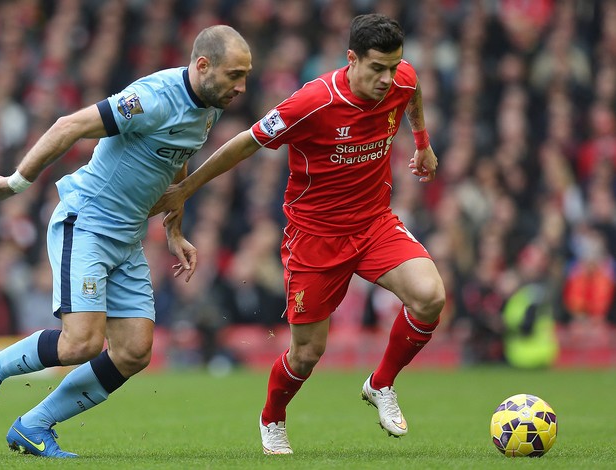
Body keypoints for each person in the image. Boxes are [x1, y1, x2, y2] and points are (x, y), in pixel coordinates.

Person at [151, 14, 445, 454]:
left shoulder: (401, 78)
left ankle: (380, 384)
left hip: (374, 222)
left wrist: (421, 143)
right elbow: (247, 141)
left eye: (393, 66)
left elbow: (413, 91)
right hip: (315, 237)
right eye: (377, 68)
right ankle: (272, 418)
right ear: (351, 59)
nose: (388, 78)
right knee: (307, 353)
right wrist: (187, 188)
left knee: (430, 297)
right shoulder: (313, 102)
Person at [0, 25, 252, 458]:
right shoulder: (151, 98)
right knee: (81, 343)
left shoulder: (209, 104)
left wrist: (174, 230)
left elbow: (177, 161)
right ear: (203, 65)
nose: (242, 87)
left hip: (129, 236)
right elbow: (70, 124)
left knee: (134, 351)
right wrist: (18, 183)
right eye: (235, 75)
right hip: (88, 223)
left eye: (245, 76)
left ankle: (33, 425)